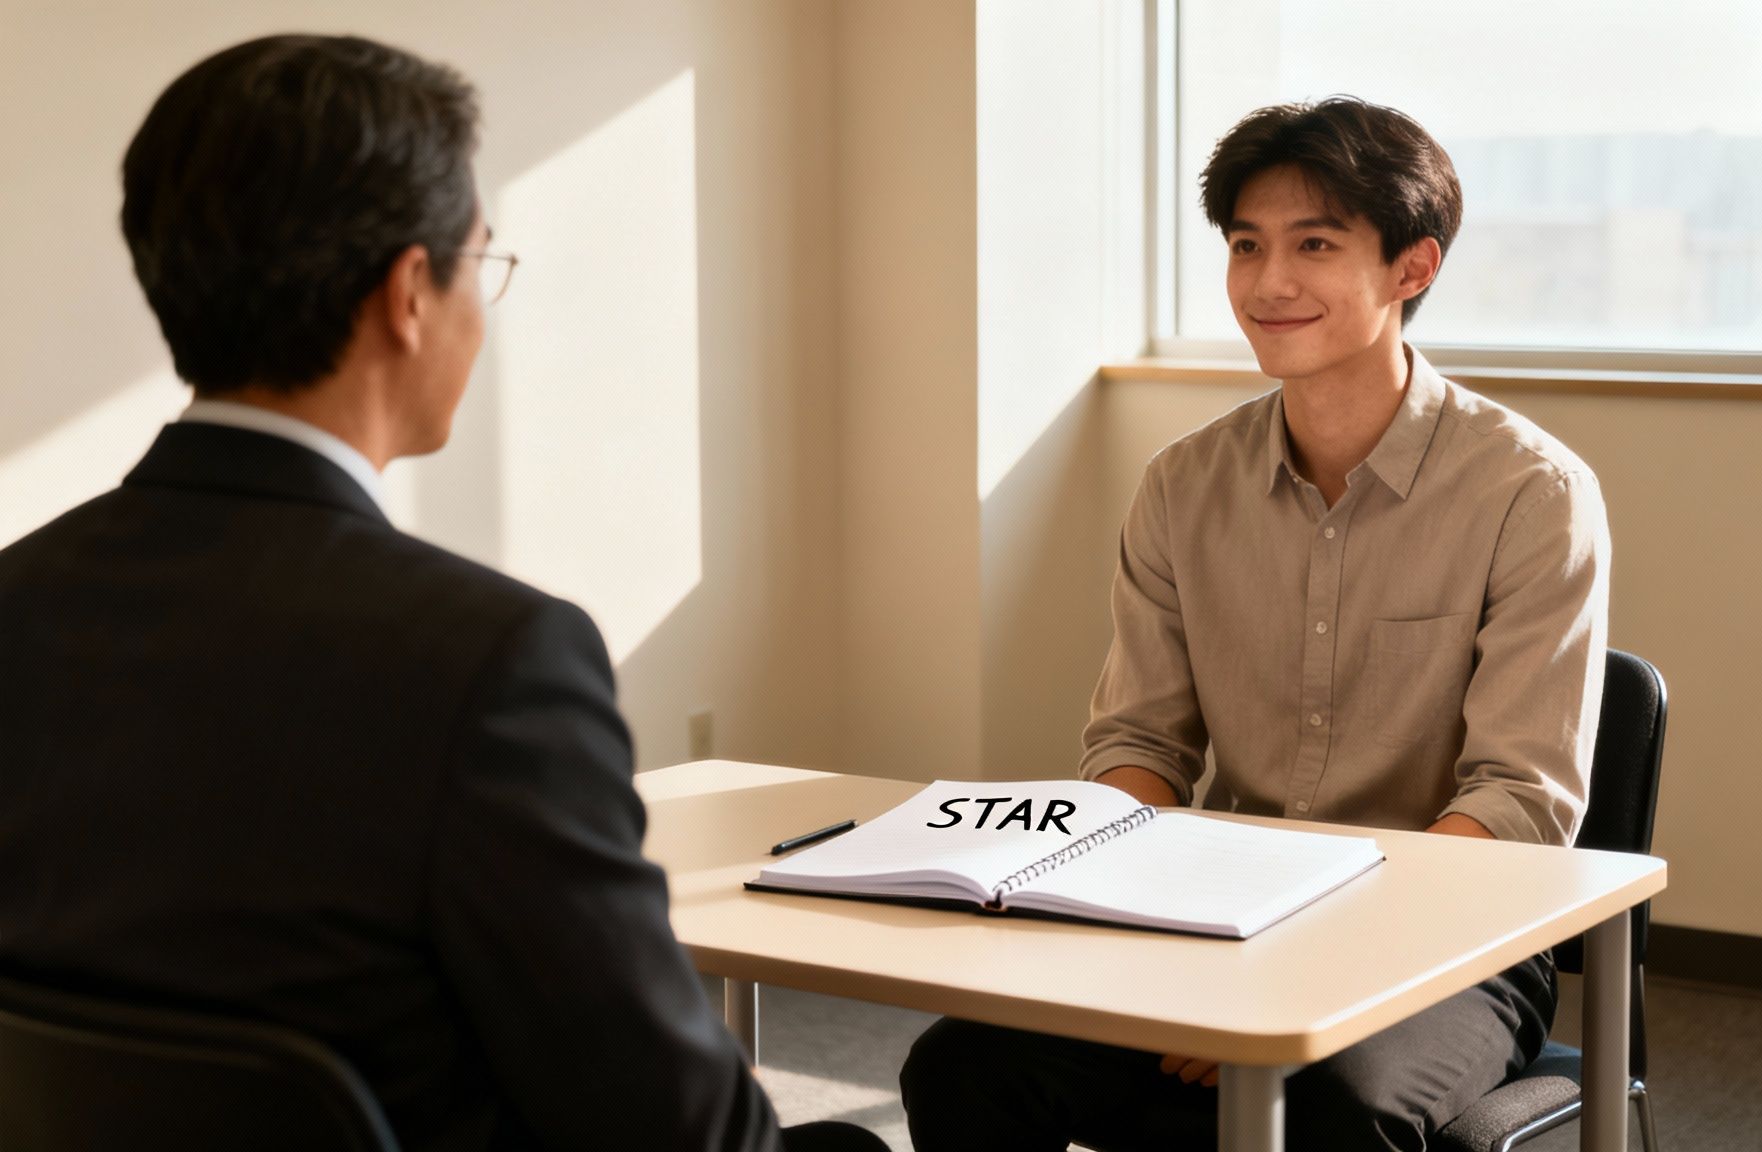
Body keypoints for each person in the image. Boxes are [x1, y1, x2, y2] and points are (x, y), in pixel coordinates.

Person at [0, 34, 881, 1152]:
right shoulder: (489, 661)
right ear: (409, 292)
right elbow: (680, 1127)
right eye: (482, 263)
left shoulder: (19, 599)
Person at [899, 97, 1610, 1151]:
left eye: (1313, 245)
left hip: (1441, 943)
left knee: (1327, 1108)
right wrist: (1126, 917)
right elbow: (1137, 747)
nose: (1266, 283)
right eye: (1245, 246)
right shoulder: (1181, 486)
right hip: (1206, 916)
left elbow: (1515, 803)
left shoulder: (1529, 493)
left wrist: (1294, 966)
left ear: (1411, 269)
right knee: (963, 1066)